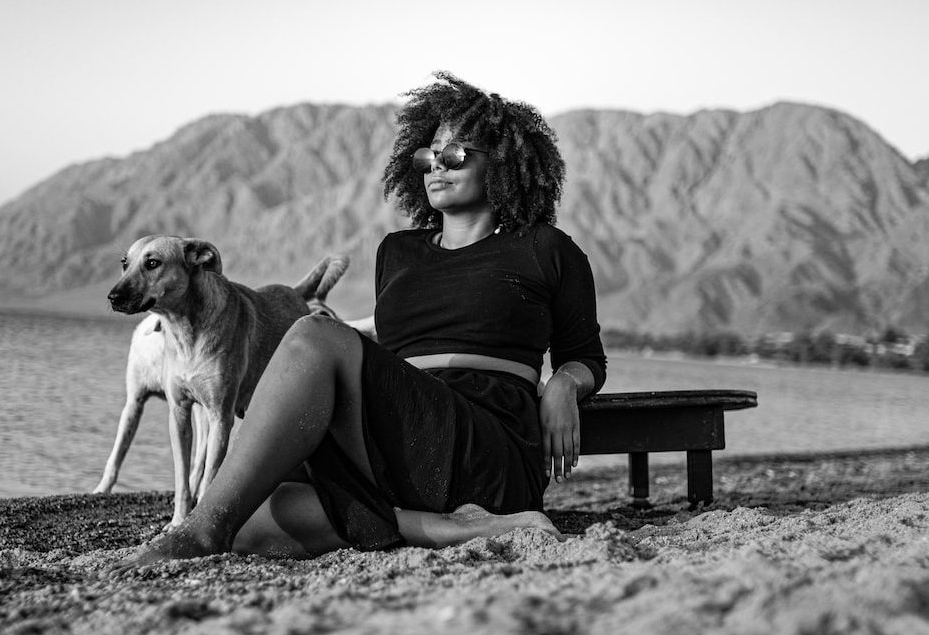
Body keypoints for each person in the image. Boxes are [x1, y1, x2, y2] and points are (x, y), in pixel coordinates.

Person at [119, 72, 606, 567]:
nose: (437, 165)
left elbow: (586, 357)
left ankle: (197, 535)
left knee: (313, 334)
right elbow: (385, 369)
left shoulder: (545, 248)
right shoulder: (397, 251)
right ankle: (428, 526)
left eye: (456, 155)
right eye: (428, 155)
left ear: (500, 163)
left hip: (488, 447)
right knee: (248, 506)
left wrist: (565, 383)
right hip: (401, 440)